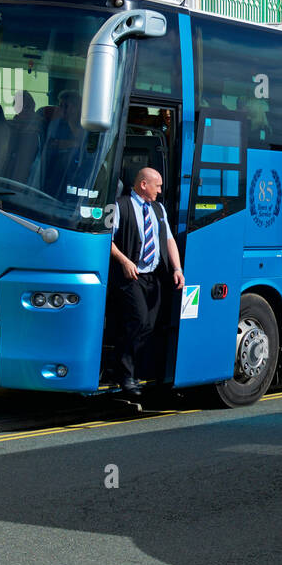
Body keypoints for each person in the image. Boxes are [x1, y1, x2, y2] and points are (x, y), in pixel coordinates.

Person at [108, 167, 184, 397]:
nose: (160, 191)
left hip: (154, 277)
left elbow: (169, 239)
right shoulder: (118, 206)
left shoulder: (159, 209)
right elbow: (105, 240)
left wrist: (177, 268)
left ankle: (134, 370)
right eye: (157, 186)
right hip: (131, 276)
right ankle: (125, 375)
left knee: (149, 325)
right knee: (139, 321)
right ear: (143, 185)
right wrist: (124, 261)